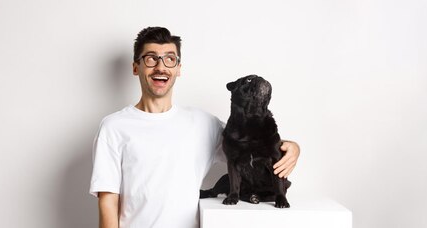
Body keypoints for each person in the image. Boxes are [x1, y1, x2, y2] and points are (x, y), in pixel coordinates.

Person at [89, 27, 300, 228]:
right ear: (136, 67)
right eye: (151, 58)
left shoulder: (203, 123)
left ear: (178, 69)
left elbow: (251, 147)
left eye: (170, 59)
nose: (161, 67)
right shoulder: (114, 127)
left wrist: (293, 146)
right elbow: (108, 202)